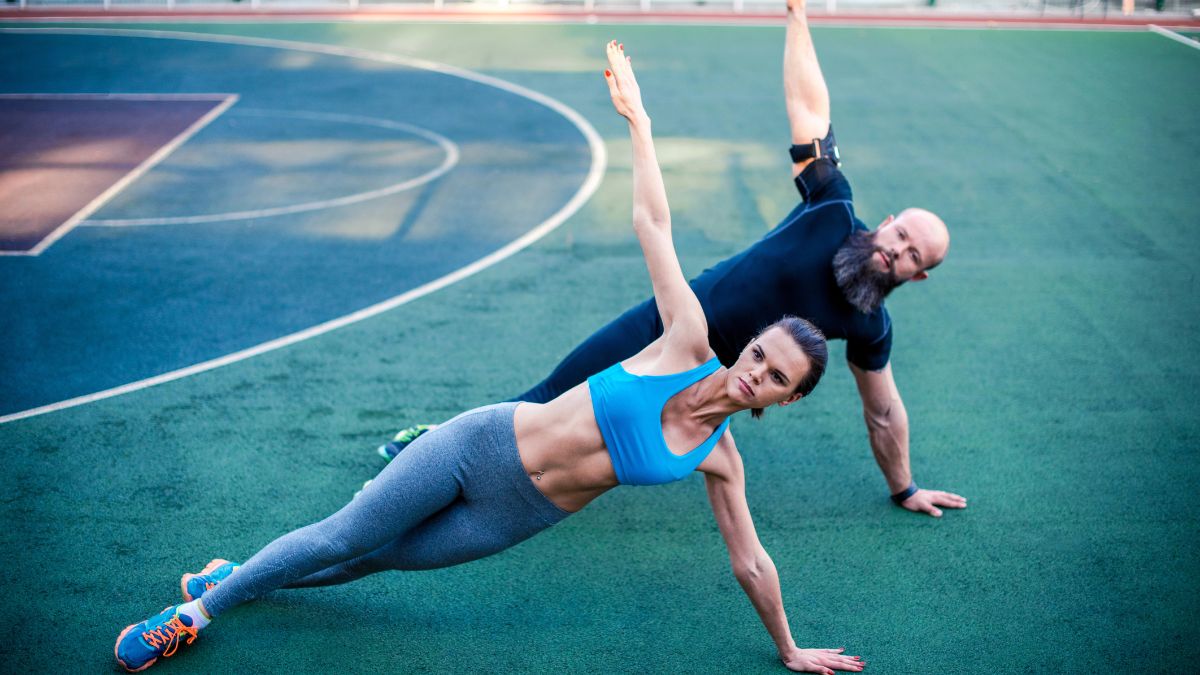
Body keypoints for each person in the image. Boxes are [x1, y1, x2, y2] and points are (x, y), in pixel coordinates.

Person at [114, 41, 867, 675]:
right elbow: (653, 223)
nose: (755, 373)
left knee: (375, 559)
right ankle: (195, 611)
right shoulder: (689, 343)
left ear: (785, 399)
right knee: (345, 533)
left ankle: (237, 576)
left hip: (517, 514)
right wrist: (639, 123)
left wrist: (790, 646)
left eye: (774, 378)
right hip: (483, 444)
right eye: (761, 354)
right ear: (751, 343)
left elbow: (751, 561)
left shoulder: (721, 457)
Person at [379, 0, 965, 518]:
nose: (897, 251)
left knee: (594, 459)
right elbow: (809, 110)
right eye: (901, 235)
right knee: (545, 401)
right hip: (666, 325)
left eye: (914, 254)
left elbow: (883, 411)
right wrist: (797, 13)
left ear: (921, 273)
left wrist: (904, 486)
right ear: (887, 224)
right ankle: (428, 453)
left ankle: (501, 494)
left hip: (706, 386)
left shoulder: (869, 324)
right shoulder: (832, 210)